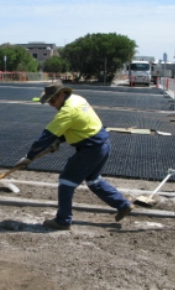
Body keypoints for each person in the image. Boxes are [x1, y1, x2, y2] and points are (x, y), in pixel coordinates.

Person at [16, 83, 133, 230]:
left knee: (66, 181)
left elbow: (45, 138)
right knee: (94, 181)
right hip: (103, 144)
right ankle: (123, 204)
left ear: (62, 95)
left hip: (90, 149)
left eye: (52, 101)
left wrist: (29, 156)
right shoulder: (78, 99)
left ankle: (63, 220)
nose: (51, 105)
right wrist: (59, 140)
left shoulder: (67, 111)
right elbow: (77, 124)